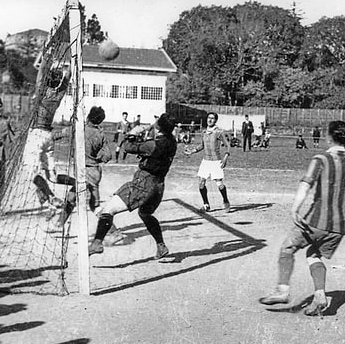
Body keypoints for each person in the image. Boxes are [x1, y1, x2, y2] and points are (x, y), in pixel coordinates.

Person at [259, 121, 345, 316]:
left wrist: (295, 208)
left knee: (287, 248)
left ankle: (282, 291)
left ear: (328, 137)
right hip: (339, 225)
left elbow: (306, 183)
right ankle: (320, 296)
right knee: (313, 255)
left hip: (316, 221)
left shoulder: (321, 159)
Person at [88, 113, 177, 259]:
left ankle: (97, 243)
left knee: (108, 210)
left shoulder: (154, 144)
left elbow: (127, 147)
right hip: (159, 184)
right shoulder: (172, 141)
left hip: (143, 182)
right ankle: (161, 246)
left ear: (159, 126)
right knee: (145, 214)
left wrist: (131, 134)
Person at [43, 106, 112, 231]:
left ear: (88, 117)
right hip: (94, 171)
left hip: (85, 172)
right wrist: (96, 156)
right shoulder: (100, 134)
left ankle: (113, 231)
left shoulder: (78, 129)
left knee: (94, 205)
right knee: (72, 197)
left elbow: (57, 135)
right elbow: (108, 156)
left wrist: (45, 135)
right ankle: (58, 224)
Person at [184, 112, 231, 212]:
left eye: (212, 118)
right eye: (208, 118)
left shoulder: (219, 132)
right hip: (205, 161)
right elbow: (202, 146)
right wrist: (192, 151)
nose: (210, 120)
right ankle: (206, 205)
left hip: (216, 161)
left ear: (215, 120)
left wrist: (226, 157)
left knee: (219, 184)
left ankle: (226, 201)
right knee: (201, 183)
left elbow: (228, 145)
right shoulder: (204, 132)